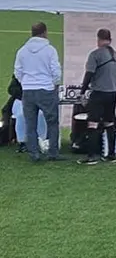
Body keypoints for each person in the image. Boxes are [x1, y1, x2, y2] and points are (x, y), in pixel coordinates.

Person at [13, 22, 62, 162]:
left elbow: (18, 71)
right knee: (52, 122)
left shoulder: (22, 51)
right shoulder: (50, 50)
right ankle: (53, 153)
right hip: (46, 88)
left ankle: (33, 153)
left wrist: (25, 83)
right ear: (45, 32)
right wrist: (55, 83)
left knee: (30, 124)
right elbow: (56, 70)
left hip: (28, 90)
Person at [77, 29, 116, 165]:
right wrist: (115, 88)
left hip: (98, 93)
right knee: (109, 122)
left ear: (98, 39)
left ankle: (91, 156)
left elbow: (89, 74)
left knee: (93, 123)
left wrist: (82, 91)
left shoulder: (95, 54)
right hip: (112, 93)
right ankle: (111, 155)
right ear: (110, 39)